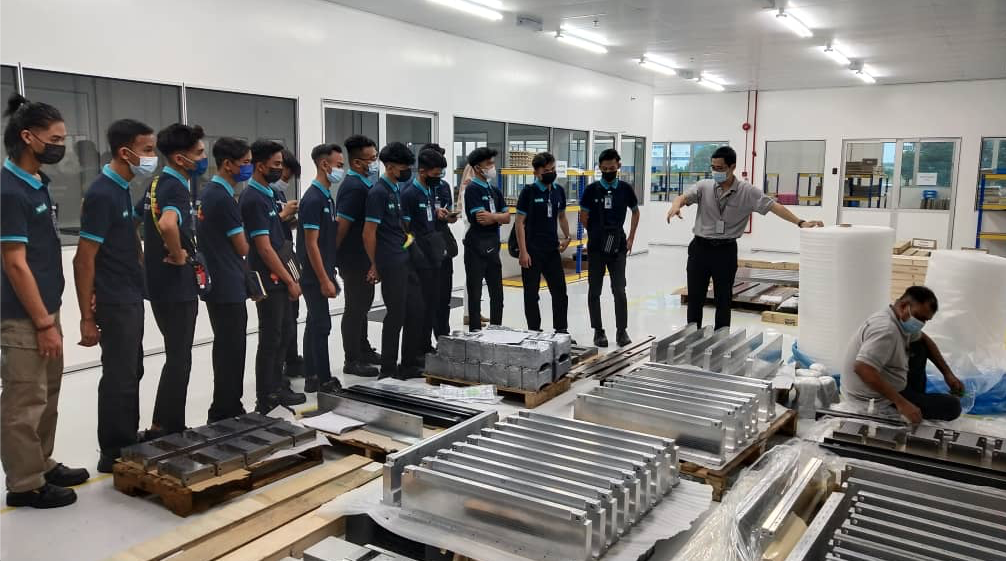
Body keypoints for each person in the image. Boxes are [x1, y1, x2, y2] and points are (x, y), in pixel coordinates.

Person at [1, 94, 89, 508]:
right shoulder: (9, 191)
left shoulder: (37, 183)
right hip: (22, 316)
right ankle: (25, 484)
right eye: (54, 139)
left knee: (48, 391)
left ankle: (42, 461)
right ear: (27, 137)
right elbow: (14, 263)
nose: (61, 147)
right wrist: (41, 322)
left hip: (44, 309)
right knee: (24, 398)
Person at [667, 146, 823, 329]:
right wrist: (676, 205)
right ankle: (692, 336)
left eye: (720, 168)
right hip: (699, 249)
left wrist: (800, 222)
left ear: (732, 167)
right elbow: (682, 198)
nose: (715, 172)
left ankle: (722, 337)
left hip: (725, 251)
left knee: (723, 298)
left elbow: (775, 207)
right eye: (713, 167)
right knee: (695, 297)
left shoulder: (747, 192)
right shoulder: (704, 186)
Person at [74, 119, 153, 473]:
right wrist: (87, 317)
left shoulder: (121, 187)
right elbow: (83, 258)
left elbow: (125, 238)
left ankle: (127, 437)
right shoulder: (102, 193)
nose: (151, 157)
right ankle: (114, 450)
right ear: (125, 152)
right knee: (119, 374)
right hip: (115, 299)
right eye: (147, 150)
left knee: (132, 369)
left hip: (129, 293)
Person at [137, 123, 207, 439]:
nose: (203, 158)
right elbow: (167, 224)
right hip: (176, 286)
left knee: (175, 354)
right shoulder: (176, 188)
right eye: (199, 153)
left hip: (158, 284)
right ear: (180, 158)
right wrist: (178, 255)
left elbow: (135, 220)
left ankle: (164, 423)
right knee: (179, 358)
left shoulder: (156, 184)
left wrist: (144, 257)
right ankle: (166, 426)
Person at [239, 140, 304, 413]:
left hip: (281, 275)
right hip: (269, 279)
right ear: (260, 165)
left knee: (284, 333)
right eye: (276, 164)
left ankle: (278, 385)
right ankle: (266, 395)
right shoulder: (253, 198)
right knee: (271, 337)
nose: (280, 170)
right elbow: (264, 248)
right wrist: (289, 280)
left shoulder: (267, 193)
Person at [842, 286, 964, 422]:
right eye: (919, 318)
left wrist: (948, 374)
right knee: (952, 406)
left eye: (925, 320)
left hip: (890, 381)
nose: (921, 323)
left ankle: (915, 397)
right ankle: (910, 402)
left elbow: (924, 339)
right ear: (903, 306)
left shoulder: (897, 318)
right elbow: (862, 368)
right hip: (873, 398)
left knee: (920, 346)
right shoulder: (886, 330)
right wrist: (902, 403)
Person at [198, 137, 252, 422]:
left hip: (218, 280)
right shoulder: (223, 197)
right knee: (232, 349)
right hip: (227, 282)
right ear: (228, 164)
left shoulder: (209, 192)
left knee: (225, 347)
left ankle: (226, 405)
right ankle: (225, 409)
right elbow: (242, 246)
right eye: (246, 163)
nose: (249, 167)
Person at [363, 142, 424, 379]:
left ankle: (409, 363)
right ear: (389, 167)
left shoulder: (395, 189)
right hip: (390, 261)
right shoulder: (377, 193)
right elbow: (368, 233)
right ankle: (388, 369)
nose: (407, 172)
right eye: (403, 168)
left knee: (415, 310)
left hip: (404, 257)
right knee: (396, 314)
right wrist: (374, 264)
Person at [579, 148, 640, 348]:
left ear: (618, 166)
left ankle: (622, 331)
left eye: (611, 168)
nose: (608, 172)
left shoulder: (625, 189)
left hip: (618, 246)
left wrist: (631, 238)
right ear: (599, 168)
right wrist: (595, 232)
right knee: (594, 290)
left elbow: (635, 212)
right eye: (604, 169)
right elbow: (583, 216)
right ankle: (598, 331)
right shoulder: (591, 190)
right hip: (596, 247)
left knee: (619, 290)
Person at [298, 143, 344, 393]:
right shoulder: (313, 199)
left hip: (322, 270)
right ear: (325, 165)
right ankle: (324, 380)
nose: (341, 170)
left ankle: (312, 376)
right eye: (339, 165)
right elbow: (311, 244)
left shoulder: (326, 196)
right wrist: (324, 279)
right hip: (313, 275)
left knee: (314, 323)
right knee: (322, 325)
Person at [335, 135, 382, 377]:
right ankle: (351, 359)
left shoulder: (363, 184)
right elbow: (341, 226)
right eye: (371, 159)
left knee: (363, 305)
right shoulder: (354, 187)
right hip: (354, 258)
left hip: (363, 256)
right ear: (356, 163)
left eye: (375, 157)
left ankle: (363, 349)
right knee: (355, 308)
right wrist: (333, 258)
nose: (375, 163)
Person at [515, 152, 571, 333]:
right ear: (536, 173)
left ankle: (561, 330)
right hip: (532, 251)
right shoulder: (529, 192)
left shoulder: (558, 191)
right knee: (531, 294)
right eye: (546, 171)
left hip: (552, 250)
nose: (550, 173)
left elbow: (561, 216)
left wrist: (567, 236)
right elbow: (519, 223)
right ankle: (534, 331)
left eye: (553, 169)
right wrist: (523, 252)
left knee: (560, 291)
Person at [401, 148, 450, 353]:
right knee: (418, 308)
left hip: (433, 255)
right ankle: (415, 351)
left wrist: (438, 213)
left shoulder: (429, 191)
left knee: (432, 303)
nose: (438, 178)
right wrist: (412, 252)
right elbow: (405, 230)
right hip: (418, 258)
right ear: (422, 171)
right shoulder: (409, 194)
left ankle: (425, 346)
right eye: (435, 174)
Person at [463, 147, 509, 331]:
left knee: (497, 293)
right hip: (476, 246)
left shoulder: (495, 190)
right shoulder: (472, 189)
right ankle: (475, 331)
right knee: (475, 293)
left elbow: (507, 218)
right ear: (477, 168)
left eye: (492, 163)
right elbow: (481, 219)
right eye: (488, 164)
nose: (492, 167)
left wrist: (494, 217)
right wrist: (498, 217)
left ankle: (496, 329)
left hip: (492, 246)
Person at [419, 143, 459, 339]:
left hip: (442, 244)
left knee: (444, 296)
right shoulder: (413, 189)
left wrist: (448, 216)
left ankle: (443, 337)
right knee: (426, 298)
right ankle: (423, 342)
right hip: (423, 248)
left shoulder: (443, 186)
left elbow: (446, 210)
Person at [273, 149, 305, 382]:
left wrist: (292, 218)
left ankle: (292, 359)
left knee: (292, 314)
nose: (286, 181)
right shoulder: (259, 196)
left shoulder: (277, 194)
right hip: (275, 262)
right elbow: (264, 231)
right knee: (278, 323)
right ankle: (278, 372)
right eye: (285, 175)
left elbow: (281, 225)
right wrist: (283, 215)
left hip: (287, 256)